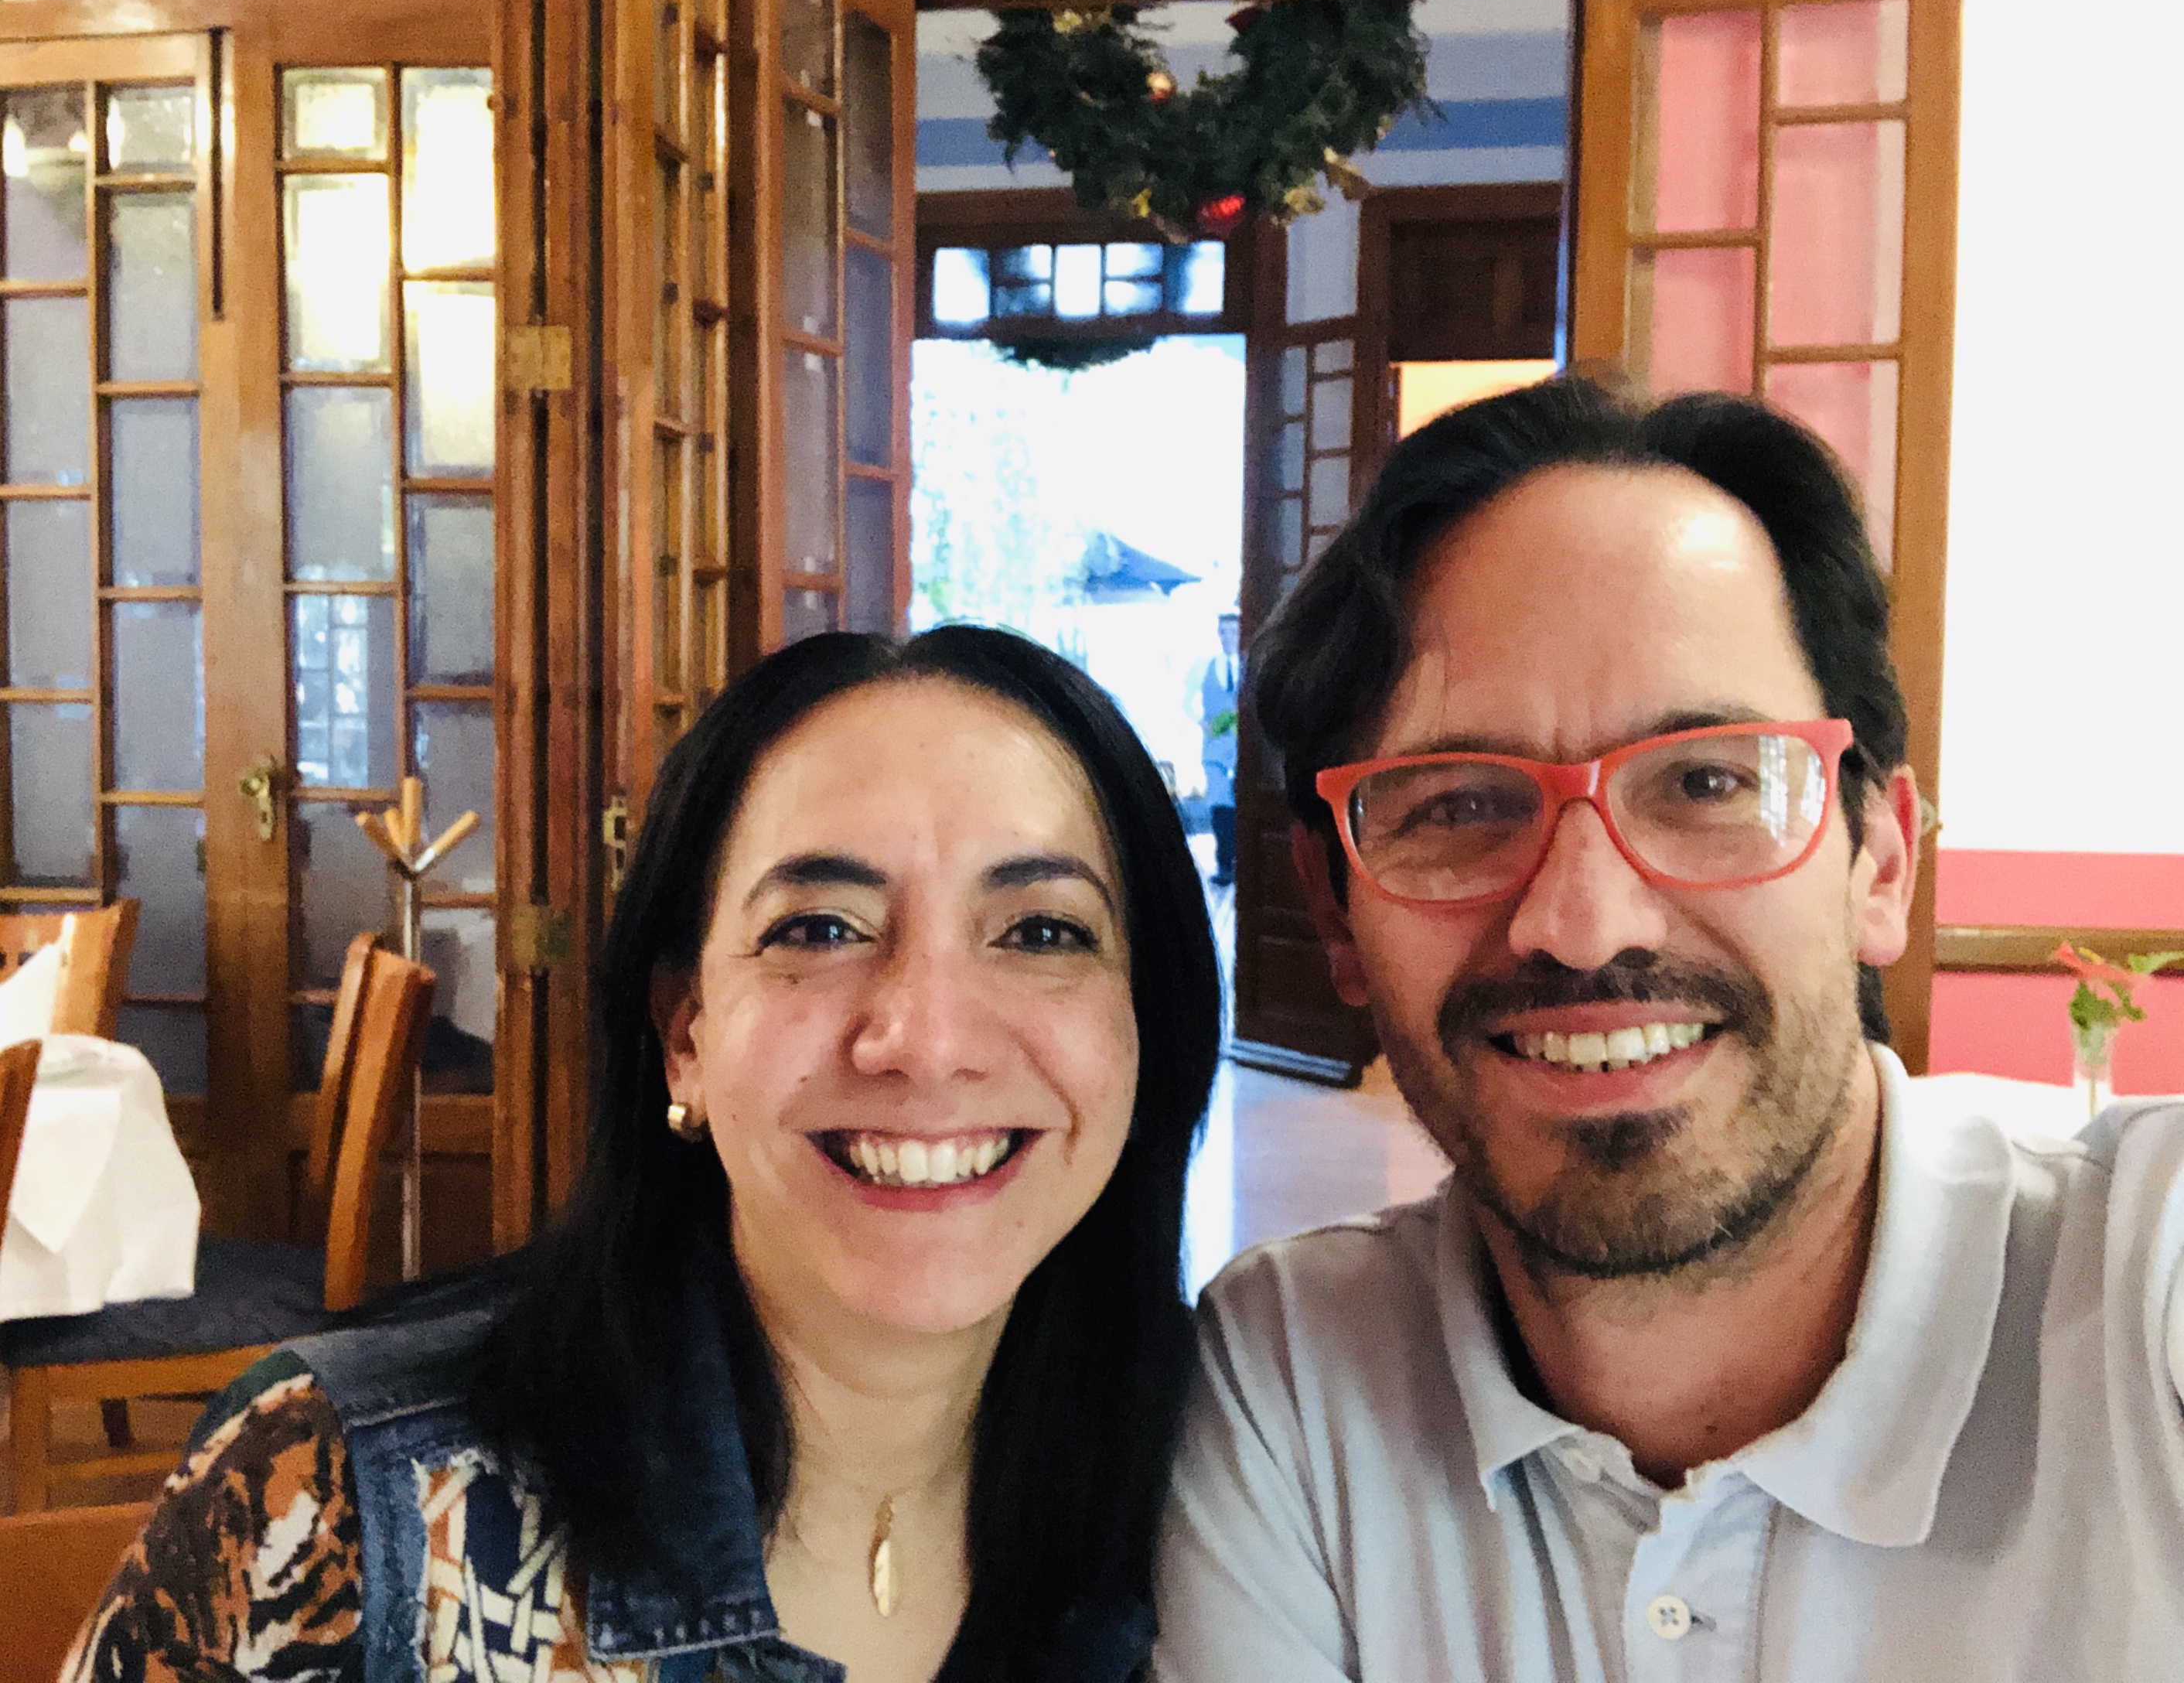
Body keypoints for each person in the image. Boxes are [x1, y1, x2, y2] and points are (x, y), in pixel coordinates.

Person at [1152, 377, 2184, 1680]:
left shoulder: (2144, 1289)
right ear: (1336, 916)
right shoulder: (1296, 1381)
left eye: (1705, 782)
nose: (1582, 924)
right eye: (1458, 805)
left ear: (1878, 860)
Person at [67, 625, 1220, 1683]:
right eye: (820, 928)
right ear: (685, 1038)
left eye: (1041, 931)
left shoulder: (1224, 1483)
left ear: (1145, 1026)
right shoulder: (347, 1508)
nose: (925, 1039)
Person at [1188, 613, 1242, 888]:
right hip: (1215, 749)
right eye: (1224, 632)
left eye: (1234, 632)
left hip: (1244, 751)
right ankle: (1224, 865)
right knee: (1221, 807)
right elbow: (1185, 699)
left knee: (1244, 805)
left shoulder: (1250, 666)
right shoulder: (1205, 667)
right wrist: (1201, 722)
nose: (1228, 638)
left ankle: (1245, 865)